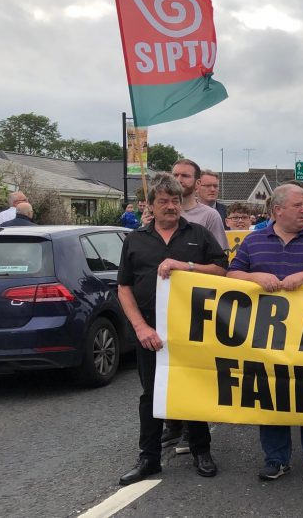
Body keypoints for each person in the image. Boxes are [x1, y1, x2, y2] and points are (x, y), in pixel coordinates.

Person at [227, 184, 303, 483]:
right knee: (272, 396)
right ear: (277, 210)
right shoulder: (254, 242)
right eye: (297, 205)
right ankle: (276, 459)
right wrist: (255, 276)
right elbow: (232, 274)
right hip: (268, 338)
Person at [116, 173, 227, 486]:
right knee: (151, 394)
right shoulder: (135, 240)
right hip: (150, 334)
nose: (171, 206)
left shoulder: (200, 234)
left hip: (192, 330)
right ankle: (148, 459)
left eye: (175, 200)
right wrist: (140, 328)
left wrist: (186, 266)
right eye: (163, 201)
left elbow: (222, 270)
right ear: (150, 205)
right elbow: (123, 287)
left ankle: (201, 450)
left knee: (192, 389)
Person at [171, 160, 227, 249]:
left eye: (185, 176)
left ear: (197, 183)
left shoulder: (211, 216)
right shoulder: (160, 212)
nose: (179, 180)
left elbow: (219, 259)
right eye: (175, 175)